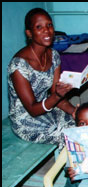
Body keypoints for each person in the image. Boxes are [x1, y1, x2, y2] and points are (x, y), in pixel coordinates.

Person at [8, 8, 76, 146]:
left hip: (47, 109)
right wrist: (56, 96)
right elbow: (33, 109)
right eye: (39, 27)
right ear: (29, 33)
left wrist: (76, 111)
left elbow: (57, 96)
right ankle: (76, 167)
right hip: (27, 121)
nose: (47, 30)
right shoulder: (19, 65)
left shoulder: (54, 56)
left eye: (49, 25)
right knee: (72, 136)